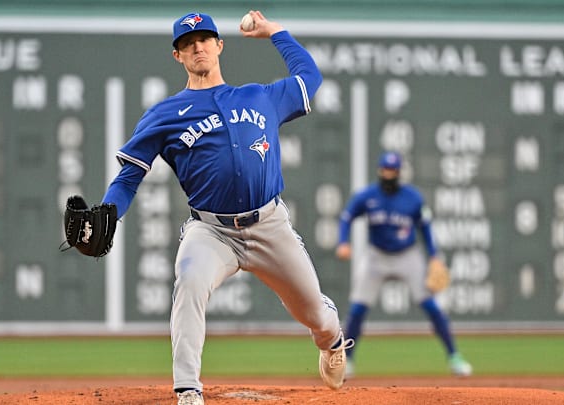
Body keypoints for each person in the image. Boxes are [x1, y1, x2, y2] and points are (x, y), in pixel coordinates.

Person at [100, 10, 353, 405]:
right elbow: (129, 176)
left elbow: (309, 77)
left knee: (314, 315)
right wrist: (109, 213)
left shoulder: (259, 96)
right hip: (211, 231)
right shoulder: (164, 114)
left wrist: (276, 32)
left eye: (204, 39)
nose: (196, 46)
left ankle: (332, 340)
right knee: (189, 279)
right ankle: (187, 389)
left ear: (219, 45)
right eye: (187, 42)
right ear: (177, 56)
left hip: (269, 224)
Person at [335, 151, 473, 378]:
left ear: (399, 172)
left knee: (431, 307)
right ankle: (347, 361)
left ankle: (454, 357)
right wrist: (343, 241)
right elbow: (347, 216)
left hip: (407, 256)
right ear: (380, 171)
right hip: (376, 256)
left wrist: (434, 255)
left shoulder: (413, 198)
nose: (388, 174)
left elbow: (425, 228)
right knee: (358, 309)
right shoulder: (368, 195)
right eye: (385, 170)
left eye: (392, 171)